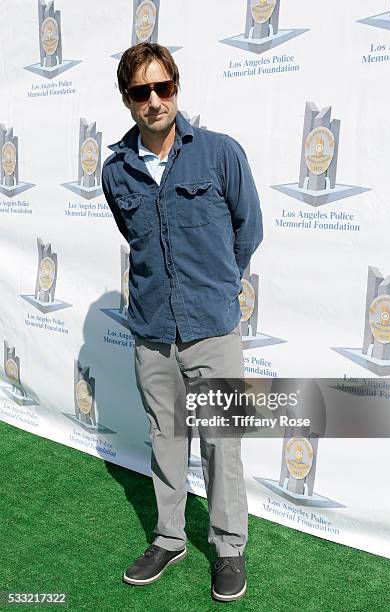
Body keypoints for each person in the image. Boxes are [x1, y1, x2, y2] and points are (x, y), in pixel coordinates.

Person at [102, 42, 263, 603]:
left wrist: (220, 284)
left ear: (177, 88)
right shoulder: (116, 170)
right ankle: (169, 538)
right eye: (141, 91)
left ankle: (228, 549)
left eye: (162, 87)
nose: (154, 101)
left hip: (213, 329)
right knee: (166, 439)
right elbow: (135, 237)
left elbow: (249, 228)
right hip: (152, 331)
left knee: (223, 442)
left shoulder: (220, 154)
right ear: (127, 100)